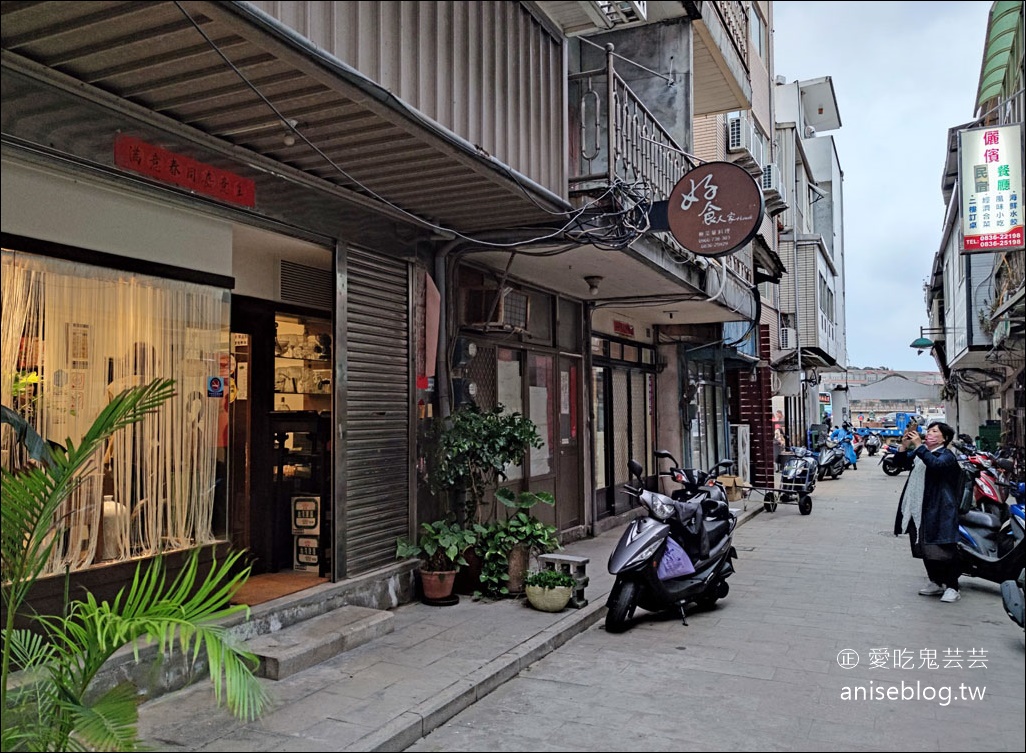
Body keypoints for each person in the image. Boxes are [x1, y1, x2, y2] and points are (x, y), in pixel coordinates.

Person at [892, 421, 963, 603]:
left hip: (939, 509)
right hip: (919, 508)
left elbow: (936, 466)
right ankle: (936, 581)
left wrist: (918, 446)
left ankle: (953, 587)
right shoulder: (921, 454)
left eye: (934, 432)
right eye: (928, 431)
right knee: (924, 547)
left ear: (944, 438)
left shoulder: (946, 456)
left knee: (942, 549)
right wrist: (904, 446)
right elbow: (899, 464)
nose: (929, 434)